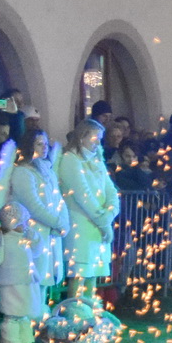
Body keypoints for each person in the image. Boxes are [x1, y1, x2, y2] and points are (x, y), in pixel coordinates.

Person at [58, 118, 119, 305]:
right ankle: (74, 315)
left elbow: (111, 191)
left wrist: (110, 214)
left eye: (100, 138)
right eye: (95, 138)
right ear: (82, 137)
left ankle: (88, 314)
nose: (98, 142)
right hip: (81, 226)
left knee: (92, 275)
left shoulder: (97, 160)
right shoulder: (70, 159)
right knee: (80, 275)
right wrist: (104, 222)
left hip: (98, 227)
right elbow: (83, 195)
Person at [7, 126, 68, 305]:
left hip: (50, 233)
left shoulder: (47, 171)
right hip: (34, 233)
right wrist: (57, 222)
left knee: (45, 281)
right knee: (35, 279)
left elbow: (58, 198)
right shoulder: (23, 172)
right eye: (39, 144)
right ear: (29, 146)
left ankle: (41, 313)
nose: (44, 147)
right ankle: (33, 315)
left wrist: (64, 223)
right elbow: (33, 206)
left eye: (46, 144)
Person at [0, 204, 41, 343]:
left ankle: (26, 339)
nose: (26, 225)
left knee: (24, 312)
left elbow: (37, 253)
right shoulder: (3, 240)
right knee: (12, 313)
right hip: (10, 282)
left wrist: (36, 239)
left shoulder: (24, 239)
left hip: (26, 280)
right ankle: (10, 340)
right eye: (23, 222)